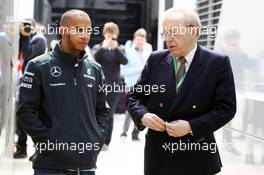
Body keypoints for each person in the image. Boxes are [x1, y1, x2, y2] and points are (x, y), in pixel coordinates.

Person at [126, 7, 236, 175]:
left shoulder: (217, 63)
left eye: (173, 33)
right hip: (159, 154)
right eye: (165, 34)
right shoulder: (156, 59)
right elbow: (134, 97)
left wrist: (192, 126)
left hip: (197, 155)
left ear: (194, 31)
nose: (168, 39)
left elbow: (226, 109)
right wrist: (143, 115)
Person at [17, 9, 109, 175]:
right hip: (50, 167)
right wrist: (49, 142)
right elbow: (25, 112)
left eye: (88, 30)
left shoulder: (95, 69)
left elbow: (103, 110)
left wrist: (97, 138)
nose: (85, 35)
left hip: (87, 167)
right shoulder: (38, 66)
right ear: (63, 30)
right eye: (79, 30)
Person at [14, 19, 47, 159]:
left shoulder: (39, 39)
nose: (27, 28)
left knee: (33, 116)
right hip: (22, 80)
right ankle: (22, 147)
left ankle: (40, 148)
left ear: (34, 26)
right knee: (20, 115)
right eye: (24, 25)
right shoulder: (26, 38)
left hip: (35, 82)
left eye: (29, 25)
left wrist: (26, 36)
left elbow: (28, 54)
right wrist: (21, 35)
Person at [92, 22, 128, 150]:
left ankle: (106, 142)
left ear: (117, 36)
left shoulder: (121, 48)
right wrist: (104, 47)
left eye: (113, 36)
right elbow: (93, 59)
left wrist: (115, 48)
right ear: (104, 35)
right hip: (98, 85)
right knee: (96, 112)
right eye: (108, 36)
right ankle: (96, 139)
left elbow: (125, 61)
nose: (111, 39)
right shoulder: (98, 47)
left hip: (114, 86)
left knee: (109, 113)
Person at [120, 28, 152, 140]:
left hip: (146, 85)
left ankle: (135, 133)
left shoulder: (149, 49)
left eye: (142, 41)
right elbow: (122, 71)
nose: (140, 43)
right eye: (138, 41)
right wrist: (138, 69)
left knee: (142, 110)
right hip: (131, 85)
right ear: (134, 40)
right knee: (130, 110)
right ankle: (123, 133)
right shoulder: (128, 52)